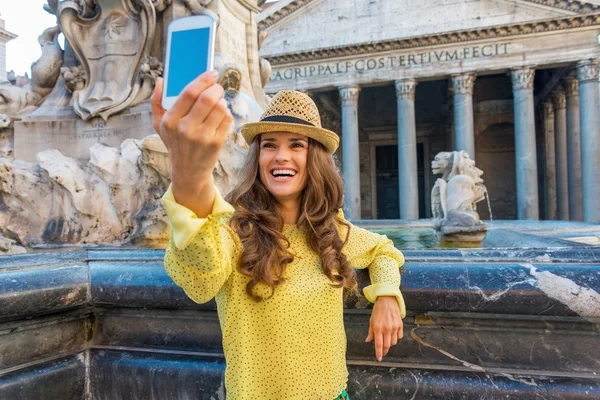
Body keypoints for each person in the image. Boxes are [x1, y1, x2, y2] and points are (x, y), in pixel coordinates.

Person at [151, 70, 406, 400]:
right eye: (269, 145)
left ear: (313, 159)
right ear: (258, 159)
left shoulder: (331, 231)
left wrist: (386, 294)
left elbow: (383, 250)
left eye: (296, 145)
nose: (281, 155)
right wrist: (188, 175)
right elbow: (200, 279)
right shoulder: (234, 231)